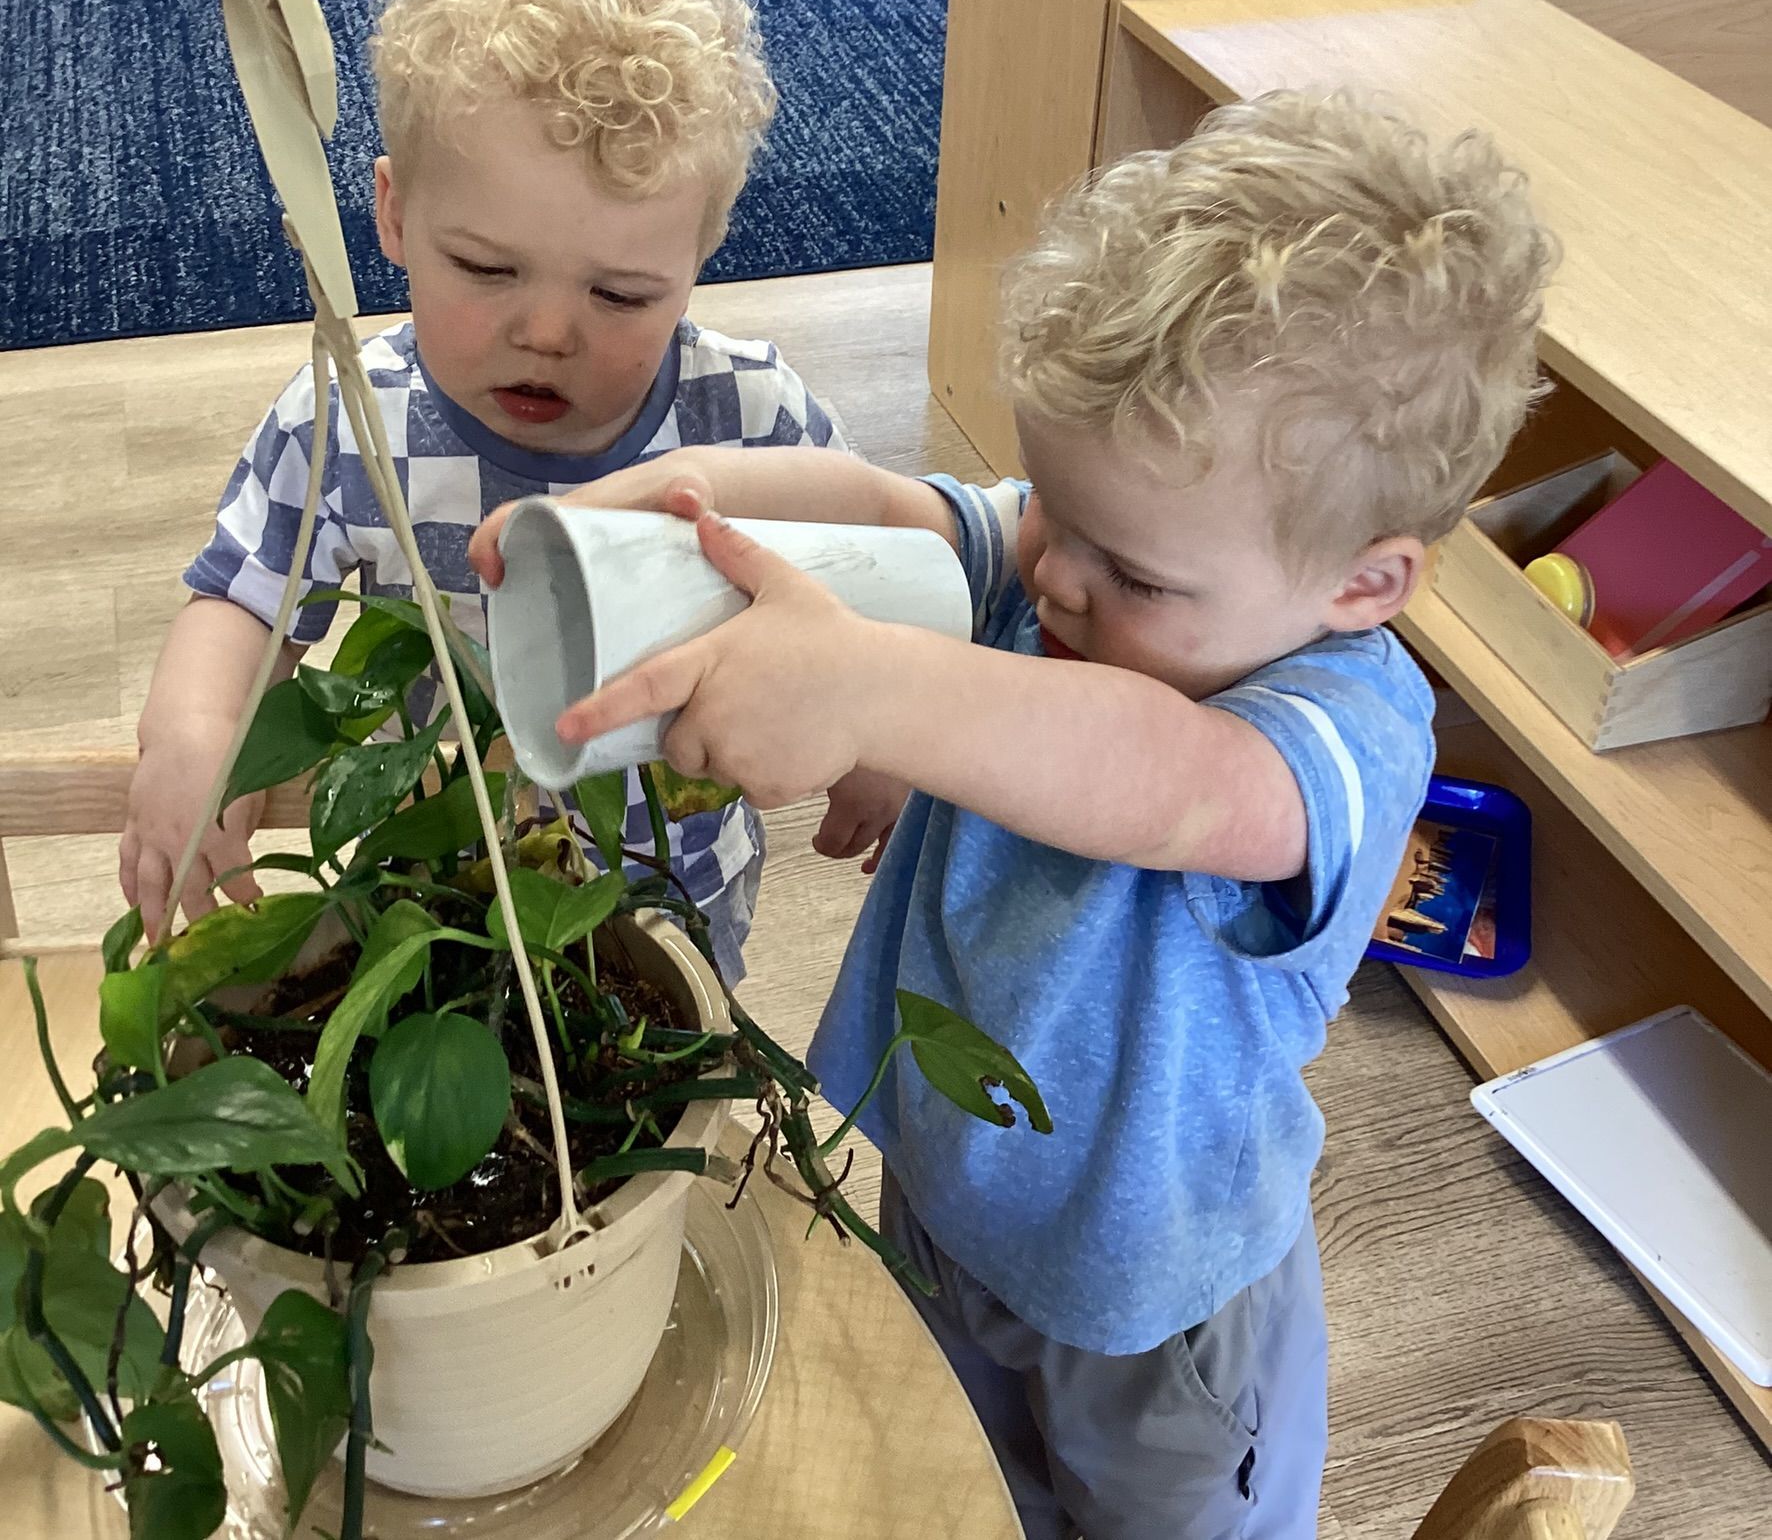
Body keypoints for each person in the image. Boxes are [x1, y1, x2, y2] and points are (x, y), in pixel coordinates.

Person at [471, 90, 1557, 1537]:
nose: (1053, 576)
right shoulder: (1089, 554)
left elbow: (1172, 787)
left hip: (1153, 1307)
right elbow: (890, 511)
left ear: (1362, 582)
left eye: (1134, 572)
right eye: (1049, 502)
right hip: (944, 1198)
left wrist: (875, 694)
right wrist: (686, 494)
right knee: (970, 1488)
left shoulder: (1340, 726)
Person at [119, 0, 895, 984]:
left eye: (620, 294)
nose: (545, 332)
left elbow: (871, 584)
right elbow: (242, 598)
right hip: (430, 889)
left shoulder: (750, 417)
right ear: (393, 214)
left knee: (661, 1053)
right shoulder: (350, 422)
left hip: (671, 896)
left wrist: (883, 727)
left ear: (698, 257)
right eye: (486, 268)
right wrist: (193, 732)